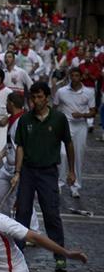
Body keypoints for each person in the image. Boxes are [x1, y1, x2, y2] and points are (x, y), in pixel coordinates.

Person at [13, 81, 76, 272]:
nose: (36, 101)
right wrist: (17, 172)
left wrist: (71, 171)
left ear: (47, 98)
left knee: (51, 214)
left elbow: (69, 143)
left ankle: (60, 256)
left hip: (48, 172)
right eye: (33, 97)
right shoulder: (25, 120)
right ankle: (17, 255)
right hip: (28, 172)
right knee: (22, 212)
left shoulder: (58, 119)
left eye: (40, 97)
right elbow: (20, 147)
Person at [53, 66, 96, 198]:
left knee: (78, 156)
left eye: (77, 76)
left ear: (81, 77)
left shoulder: (88, 92)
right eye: (72, 75)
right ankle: (59, 183)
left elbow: (93, 111)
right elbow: (54, 107)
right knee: (62, 154)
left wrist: (82, 115)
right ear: (69, 76)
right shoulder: (61, 91)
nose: (75, 78)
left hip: (80, 126)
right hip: (65, 125)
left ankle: (75, 186)